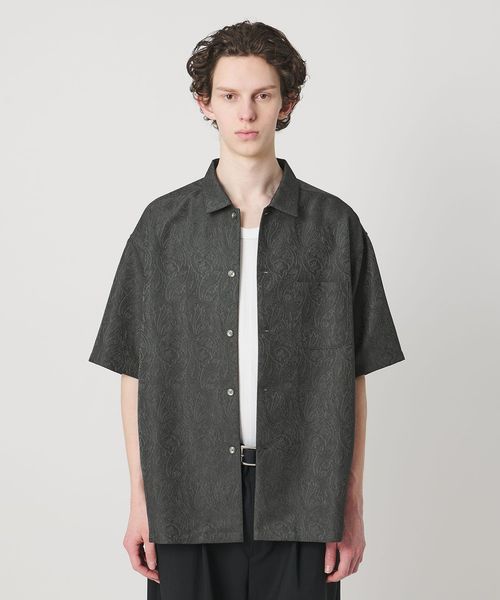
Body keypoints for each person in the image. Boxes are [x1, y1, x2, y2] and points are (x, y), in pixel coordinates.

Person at [88, 20, 405, 600]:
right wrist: (140, 499)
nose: (247, 113)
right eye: (230, 95)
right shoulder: (162, 228)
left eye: (263, 94)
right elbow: (135, 372)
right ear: (204, 103)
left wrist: (350, 502)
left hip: (304, 499)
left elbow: (353, 376)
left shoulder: (335, 228)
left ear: (288, 102)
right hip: (185, 499)